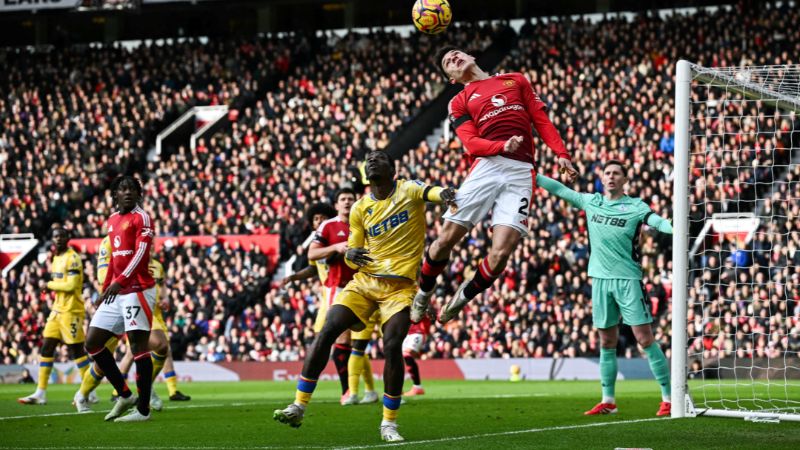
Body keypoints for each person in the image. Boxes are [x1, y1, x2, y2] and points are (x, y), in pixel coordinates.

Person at [273, 150, 456, 442]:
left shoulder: (408, 189)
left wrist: (445, 194)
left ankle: (389, 423)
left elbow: (432, 192)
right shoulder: (360, 208)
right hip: (365, 283)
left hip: (400, 288)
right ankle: (299, 405)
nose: (372, 160)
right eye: (369, 159)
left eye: (380, 157)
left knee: (392, 344)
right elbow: (352, 257)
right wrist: (352, 256)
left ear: (392, 168)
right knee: (327, 330)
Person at [411, 46, 578, 324]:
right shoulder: (459, 101)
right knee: (444, 241)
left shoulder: (516, 80)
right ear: (452, 78)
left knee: (501, 253)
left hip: (521, 171)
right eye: (447, 62)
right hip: (487, 167)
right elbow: (471, 143)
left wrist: (562, 154)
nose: (453, 58)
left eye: (455, 53)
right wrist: (501, 145)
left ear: (472, 56)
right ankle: (423, 293)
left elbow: (540, 119)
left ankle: (463, 296)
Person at [536, 160, 673, 417]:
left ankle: (668, 398)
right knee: (606, 341)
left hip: (628, 280)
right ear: (601, 177)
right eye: (607, 173)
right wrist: (534, 174)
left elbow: (657, 222)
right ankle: (608, 400)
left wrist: (674, 227)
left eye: (616, 173)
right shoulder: (592, 201)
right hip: (599, 280)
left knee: (644, 339)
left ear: (624, 179)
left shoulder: (635, 207)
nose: (611, 177)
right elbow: (561, 190)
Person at [76, 246, 190, 413]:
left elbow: (162, 288)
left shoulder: (156, 265)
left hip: (146, 309)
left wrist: (164, 299)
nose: (149, 247)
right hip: (118, 303)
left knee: (159, 347)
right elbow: (103, 275)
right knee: (104, 359)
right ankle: (83, 395)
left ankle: (146, 390)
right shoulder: (109, 243)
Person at [83, 176, 157, 422]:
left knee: (137, 347)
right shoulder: (112, 220)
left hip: (138, 289)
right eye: (122, 189)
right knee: (92, 342)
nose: (127, 193)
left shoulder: (142, 217)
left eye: (132, 189)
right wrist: (106, 289)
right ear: (115, 194)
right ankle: (125, 395)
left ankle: (143, 409)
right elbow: (115, 258)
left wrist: (119, 281)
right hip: (117, 290)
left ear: (139, 194)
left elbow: (141, 254)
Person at [18, 227, 93, 406]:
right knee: (46, 348)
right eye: (55, 236)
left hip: (71, 311)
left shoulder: (72, 258)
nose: (58, 239)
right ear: (52, 239)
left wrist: (49, 284)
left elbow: (71, 285)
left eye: (62, 236)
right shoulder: (56, 258)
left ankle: (90, 390)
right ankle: (40, 392)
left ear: (68, 238)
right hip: (57, 311)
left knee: (77, 351)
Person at [307, 189, 360, 405]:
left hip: (363, 287)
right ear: (337, 205)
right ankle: (347, 390)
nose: (347, 202)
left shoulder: (362, 223)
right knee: (341, 337)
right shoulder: (328, 226)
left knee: (362, 341)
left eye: (350, 199)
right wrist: (336, 247)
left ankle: (367, 391)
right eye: (343, 199)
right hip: (337, 289)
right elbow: (312, 254)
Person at [403, 307, 432, 397]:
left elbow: (427, 313)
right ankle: (396, 388)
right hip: (408, 333)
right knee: (400, 357)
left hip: (419, 332)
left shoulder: (420, 299)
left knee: (406, 355)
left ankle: (418, 387)